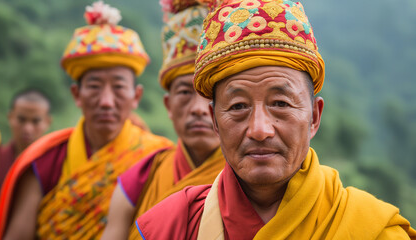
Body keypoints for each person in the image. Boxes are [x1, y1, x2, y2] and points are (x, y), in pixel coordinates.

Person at [134, 0, 416, 239]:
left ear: (314, 117)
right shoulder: (170, 225)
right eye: (238, 106)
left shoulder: (372, 229)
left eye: (280, 103)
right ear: (214, 121)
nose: (259, 129)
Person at [0, 2, 172, 240]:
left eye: (119, 87)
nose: (106, 101)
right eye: (95, 87)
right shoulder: (47, 158)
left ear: (136, 96)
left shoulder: (157, 158)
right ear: (76, 94)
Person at [101, 2, 224, 239]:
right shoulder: (141, 177)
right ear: (168, 105)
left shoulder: (253, 177)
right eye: (185, 93)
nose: (199, 109)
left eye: (209, 95)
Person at [0, 89, 51, 222]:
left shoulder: (52, 166)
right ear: (10, 117)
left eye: (35, 121)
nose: (27, 128)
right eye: (21, 120)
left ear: (47, 122)